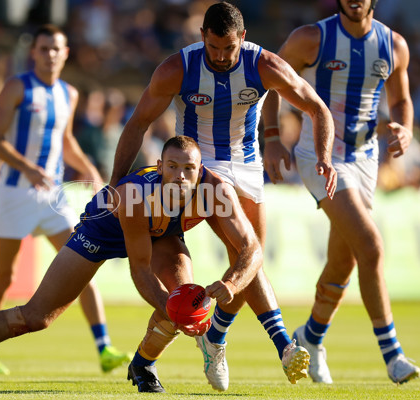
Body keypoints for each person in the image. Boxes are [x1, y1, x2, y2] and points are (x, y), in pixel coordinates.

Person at [0, 136, 260, 393]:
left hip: (162, 233)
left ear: (201, 172)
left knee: (181, 298)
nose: (181, 176)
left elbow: (252, 249)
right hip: (105, 228)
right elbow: (140, 270)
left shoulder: (218, 192)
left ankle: (143, 365)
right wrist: (172, 309)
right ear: (161, 166)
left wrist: (230, 284)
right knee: (34, 317)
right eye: (173, 167)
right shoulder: (134, 196)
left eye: (189, 169)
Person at [109, 2, 337, 391]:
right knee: (243, 255)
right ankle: (283, 345)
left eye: (227, 49)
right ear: (202, 37)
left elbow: (317, 108)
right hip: (196, 169)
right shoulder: (176, 68)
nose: (219, 57)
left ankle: (212, 340)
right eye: (212, 48)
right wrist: (116, 184)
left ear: (242, 39)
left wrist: (324, 157)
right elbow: (139, 123)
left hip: (247, 166)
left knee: (250, 261)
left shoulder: (264, 65)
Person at [261, 0, 420, 385]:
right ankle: (393, 355)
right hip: (319, 156)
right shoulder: (311, 38)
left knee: (344, 260)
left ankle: (310, 337)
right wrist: (271, 137)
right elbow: (269, 82)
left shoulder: (393, 45)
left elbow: (400, 100)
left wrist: (405, 127)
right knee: (371, 245)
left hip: (366, 159)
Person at [0, 24, 130, 374]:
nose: (49, 54)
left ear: (65, 53)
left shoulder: (68, 94)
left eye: (55, 49)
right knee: (4, 276)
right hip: (15, 193)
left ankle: (104, 347)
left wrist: (89, 168)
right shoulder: (17, 86)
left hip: (51, 197)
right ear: (34, 52)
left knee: (83, 264)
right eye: (43, 48)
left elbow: (64, 141)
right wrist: (27, 167)